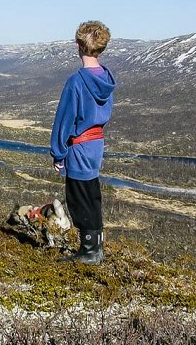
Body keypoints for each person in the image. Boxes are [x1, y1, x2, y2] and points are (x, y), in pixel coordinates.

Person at [50, 21, 116, 265]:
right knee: (92, 194)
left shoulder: (77, 82)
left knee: (78, 197)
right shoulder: (106, 78)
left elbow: (64, 120)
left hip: (79, 146)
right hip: (96, 144)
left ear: (78, 45)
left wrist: (58, 153)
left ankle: (88, 251)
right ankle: (95, 247)